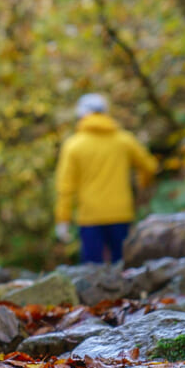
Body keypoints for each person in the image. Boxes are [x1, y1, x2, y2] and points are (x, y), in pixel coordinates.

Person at [53, 93, 159, 264]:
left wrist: (63, 219)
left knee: (91, 270)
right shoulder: (124, 140)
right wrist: (143, 184)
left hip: (89, 215)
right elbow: (150, 167)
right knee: (124, 266)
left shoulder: (74, 145)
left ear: (81, 115)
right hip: (120, 212)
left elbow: (65, 187)